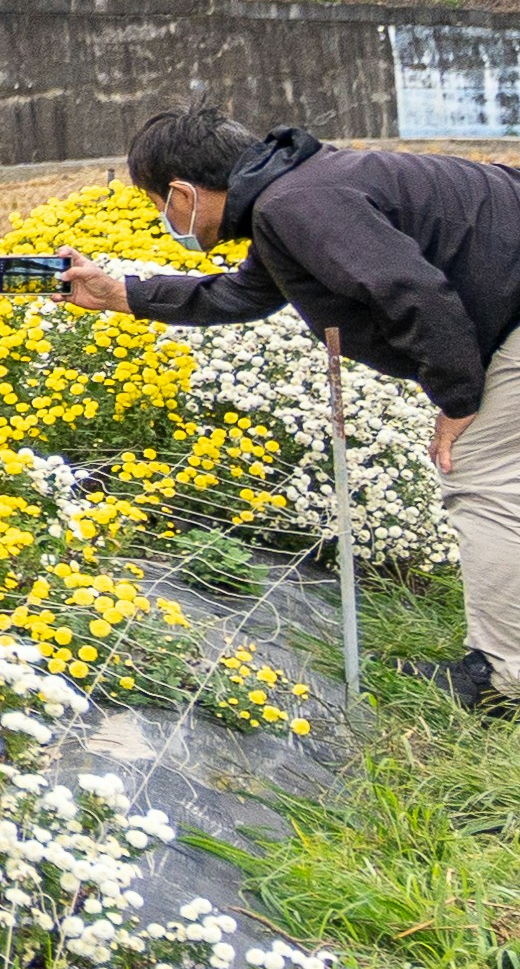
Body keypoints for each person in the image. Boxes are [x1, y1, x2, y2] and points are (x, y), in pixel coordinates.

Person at [63, 105, 520, 710]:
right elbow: (246, 292)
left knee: (483, 480)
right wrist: (121, 293)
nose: (162, 217)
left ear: (182, 192)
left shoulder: (296, 205)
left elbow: (413, 292)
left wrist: (458, 397)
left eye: (157, 203)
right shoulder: (299, 190)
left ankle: (503, 678)